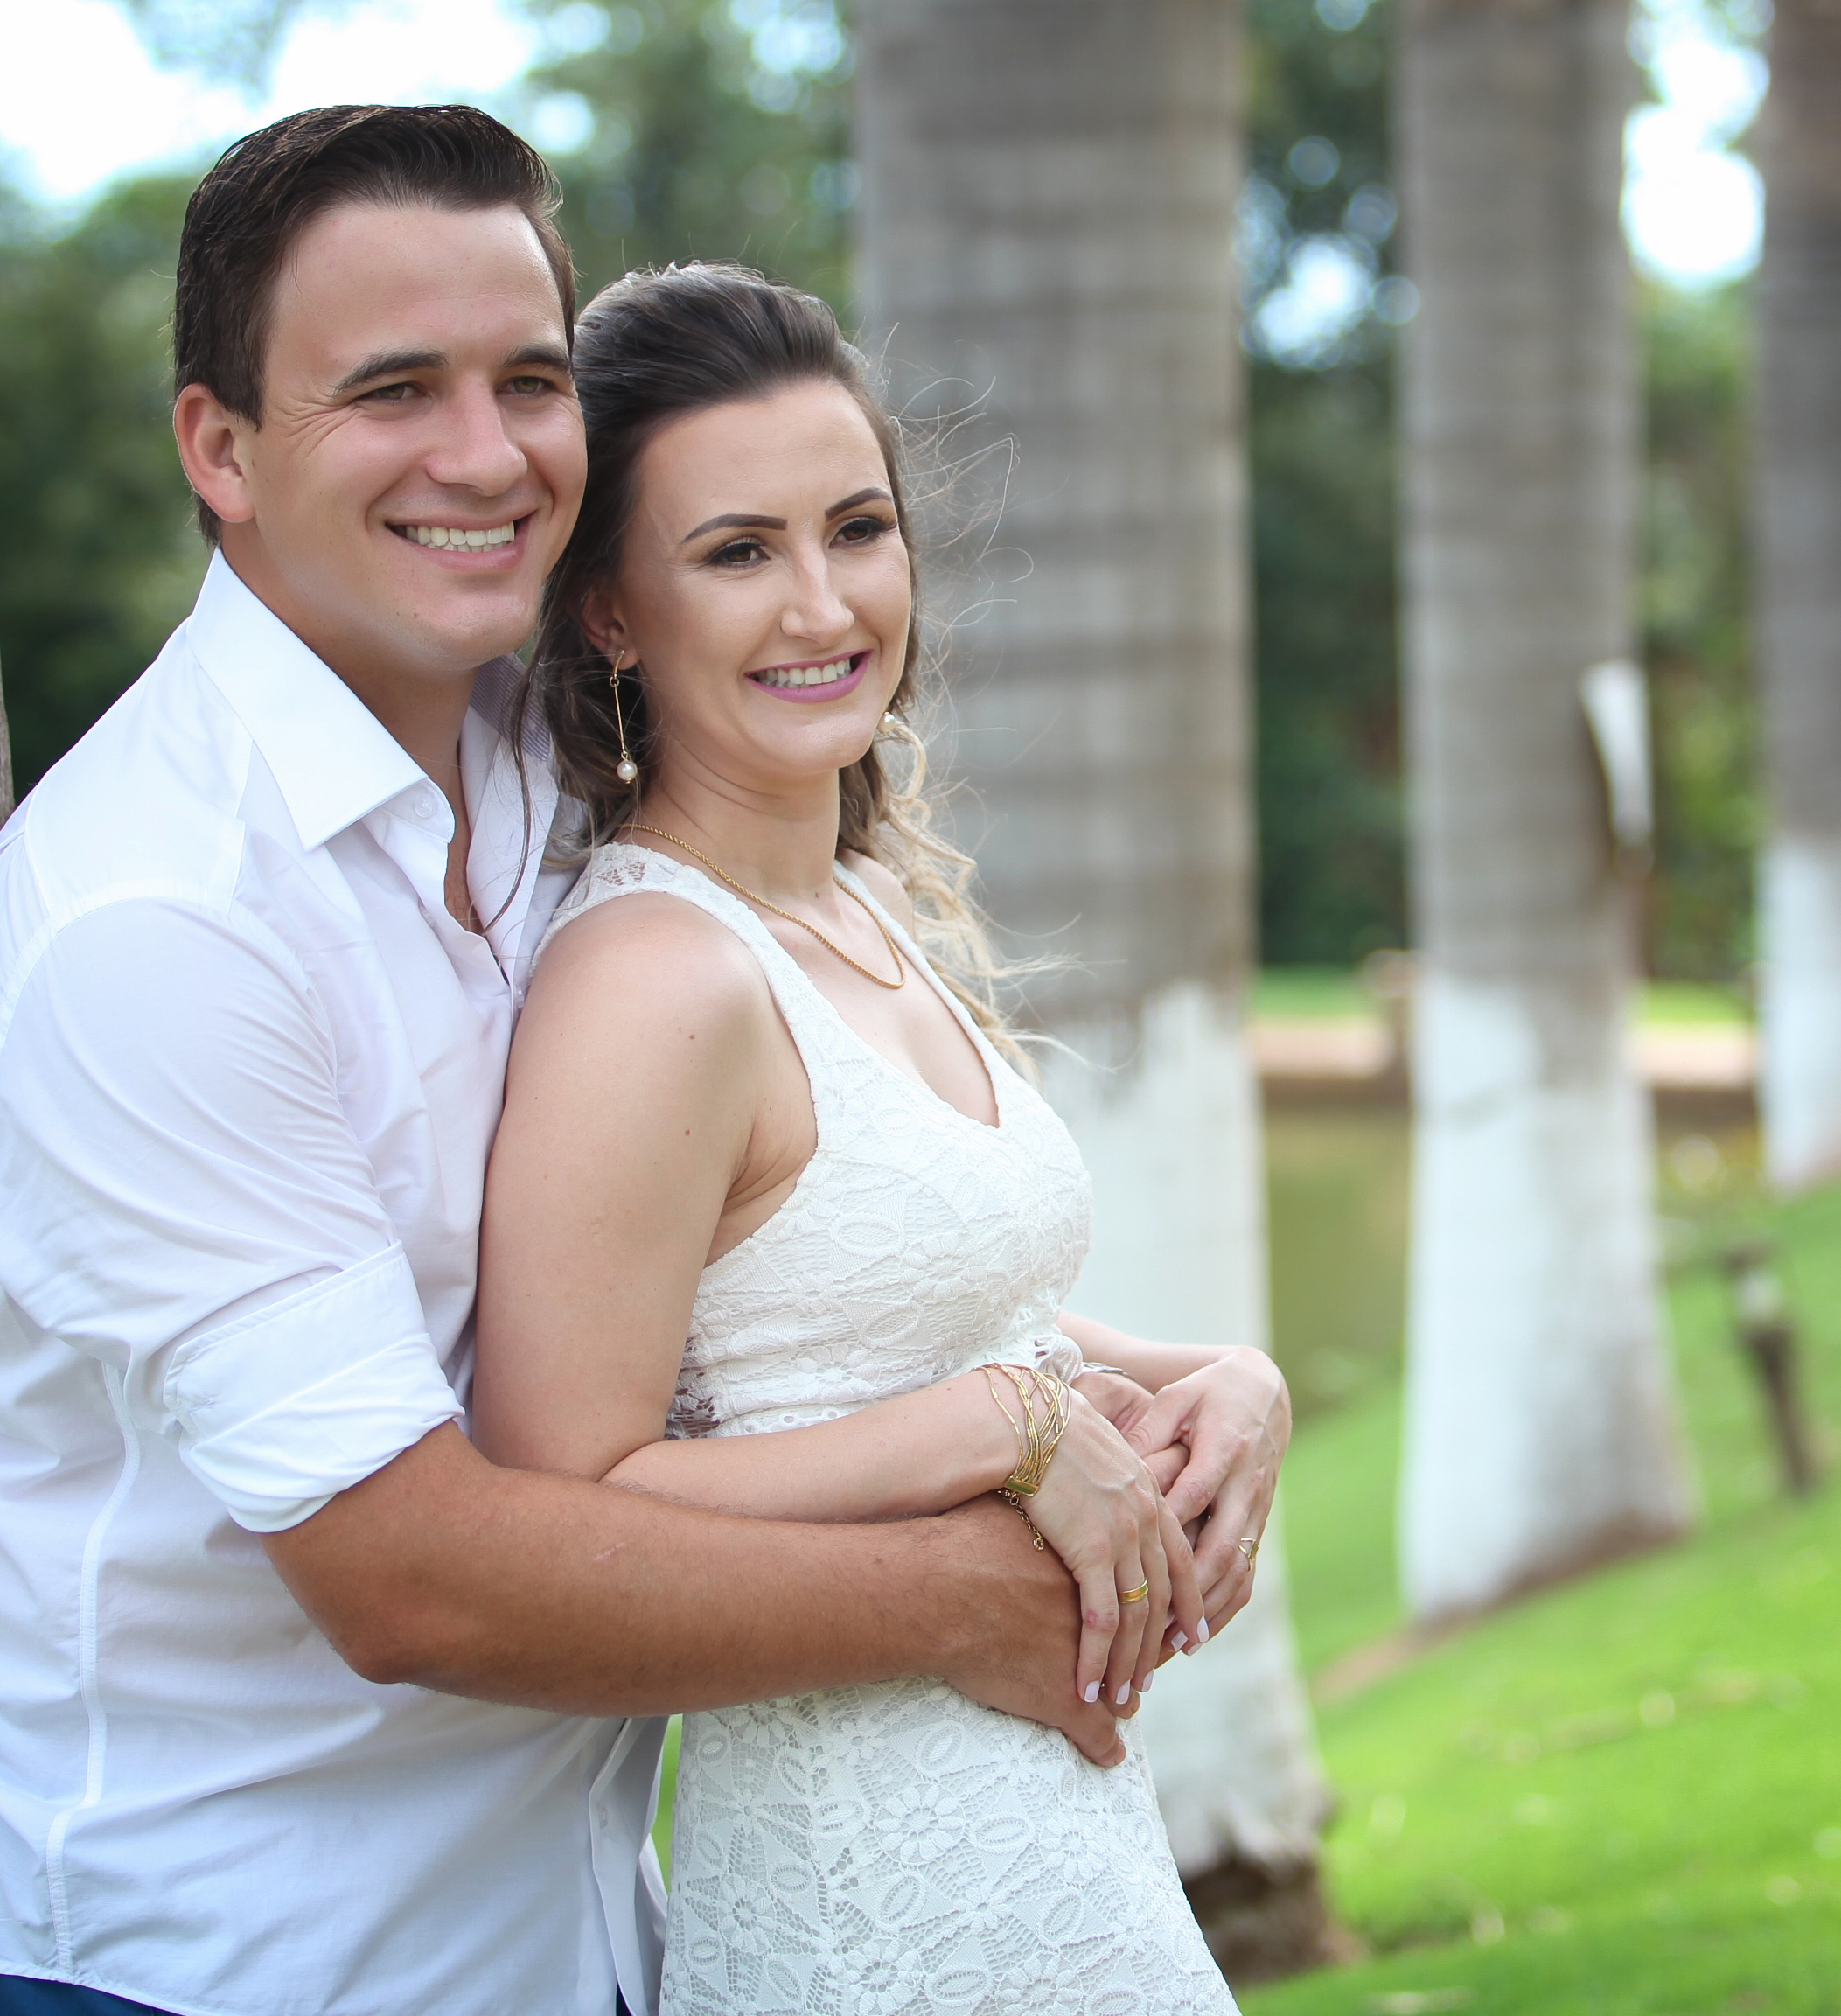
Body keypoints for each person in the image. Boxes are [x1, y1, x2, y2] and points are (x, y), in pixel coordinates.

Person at [0, 104, 1286, 2016]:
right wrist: (971, 1569)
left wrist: (1199, 1377)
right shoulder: (153, 923)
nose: (483, 455)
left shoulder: (544, 772)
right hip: (229, 1964)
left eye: (527, 382)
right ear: (219, 448)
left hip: (580, 1935)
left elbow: (789, 1279)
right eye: (393, 390)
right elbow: (418, 1580)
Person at [475, 263, 1264, 2014]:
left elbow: (881, 1312)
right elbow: (563, 1488)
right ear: (610, 609)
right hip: (868, 1890)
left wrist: (1217, 1376)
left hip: (1048, 1851)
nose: (821, 601)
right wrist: (1005, 1427)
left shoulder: (850, 904)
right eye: (736, 551)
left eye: (857, 528)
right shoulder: (653, 978)